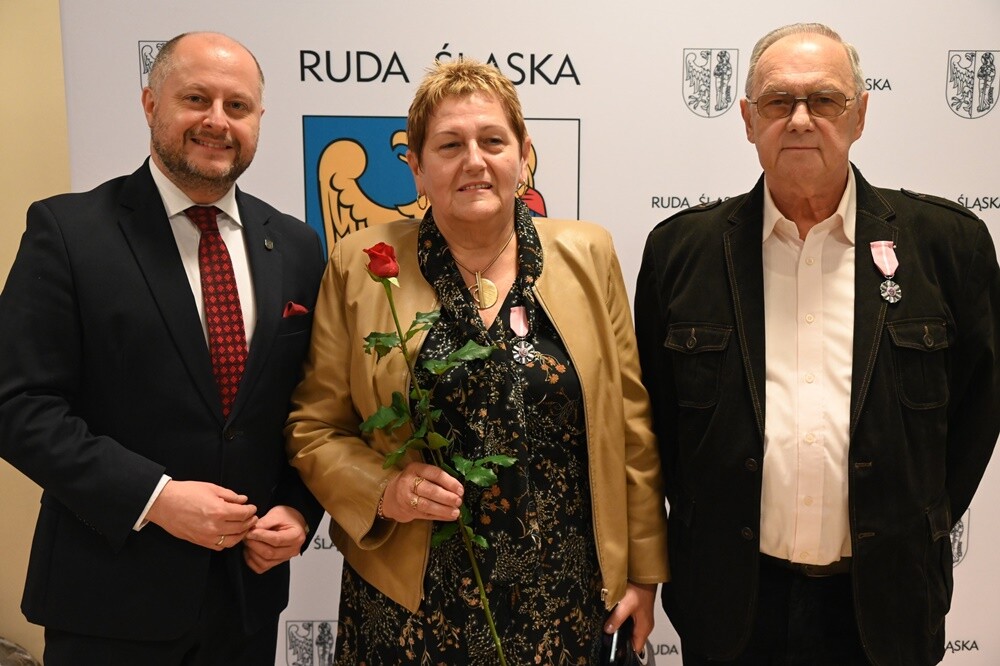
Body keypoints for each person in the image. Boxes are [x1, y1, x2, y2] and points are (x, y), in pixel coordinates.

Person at [635, 22, 1000, 666]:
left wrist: (913, 518)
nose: (800, 119)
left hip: (887, 606)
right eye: (779, 101)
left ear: (860, 115)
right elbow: (654, 422)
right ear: (748, 120)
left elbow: (977, 412)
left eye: (825, 100)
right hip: (731, 606)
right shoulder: (680, 252)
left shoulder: (949, 246)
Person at [286, 59, 669, 664]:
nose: (474, 160)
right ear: (416, 167)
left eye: (493, 141)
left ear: (523, 155)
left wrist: (643, 573)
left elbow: (630, 428)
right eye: (449, 145)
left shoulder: (589, 253)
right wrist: (384, 489)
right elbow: (315, 427)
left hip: (565, 600)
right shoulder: (359, 263)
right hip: (410, 605)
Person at [0, 32, 325, 665]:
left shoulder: (295, 244)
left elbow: (308, 404)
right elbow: (18, 404)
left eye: (237, 106)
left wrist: (298, 506)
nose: (217, 121)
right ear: (151, 103)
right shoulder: (67, 232)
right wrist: (155, 498)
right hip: (108, 600)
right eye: (196, 98)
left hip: (246, 602)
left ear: (259, 119)